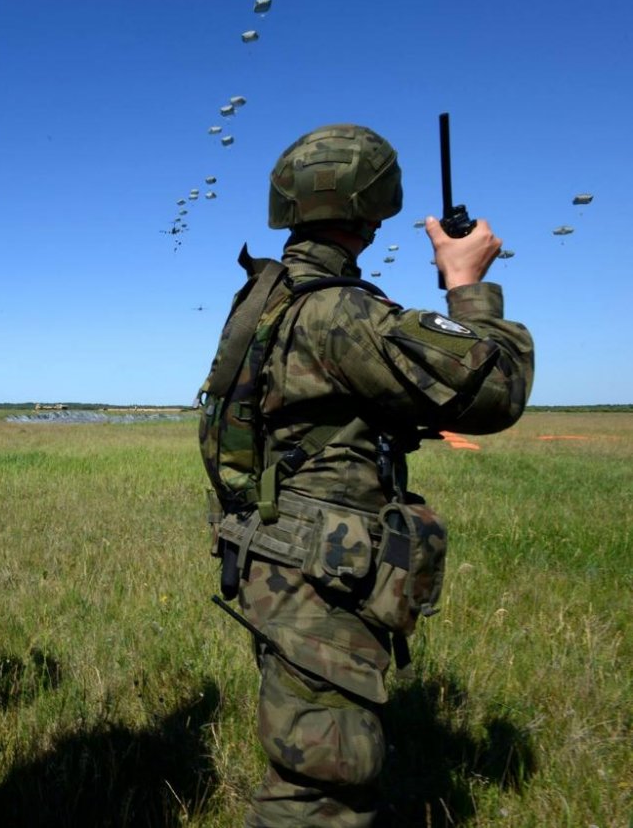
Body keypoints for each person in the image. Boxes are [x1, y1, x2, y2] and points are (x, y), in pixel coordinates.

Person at [198, 124, 533, 827]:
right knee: (325, 785)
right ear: (374, 207)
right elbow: (495, 387)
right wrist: (468, 283)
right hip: (321, 574)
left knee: (311, 754)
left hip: (282, 558)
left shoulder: (272, 292)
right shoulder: (337, 310)